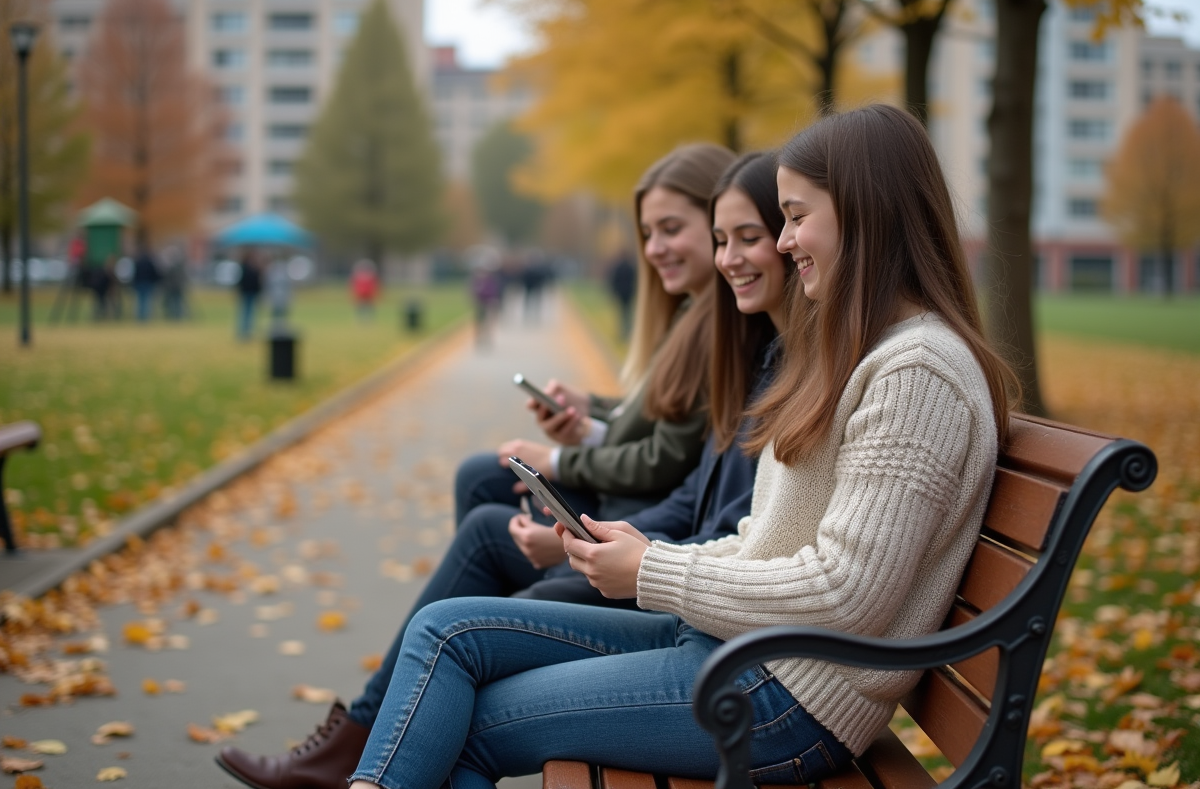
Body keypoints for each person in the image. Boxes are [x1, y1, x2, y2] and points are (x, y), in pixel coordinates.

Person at [335, 104, 1017, 789]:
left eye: (797, 217)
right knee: (445, 633)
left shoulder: (918, 371)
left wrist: (655, 574)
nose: (784, 242)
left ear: (867, 213)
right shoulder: (864, 355)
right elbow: (764, 542)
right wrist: (649, 554)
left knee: (469, 726)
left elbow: (849, 594)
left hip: (782, 699)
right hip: (733, 650)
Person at [214, 149, 788, 789]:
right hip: (679, 582)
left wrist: (582, 495)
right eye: (717, 239)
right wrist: (588, 441)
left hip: (702, 623)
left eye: (746, 237)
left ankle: (361, 746)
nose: (663, 248)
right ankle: (363, 749)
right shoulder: (727, 331)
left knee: (467, 617)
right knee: (477, 540)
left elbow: (683, 474)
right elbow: (683, 463)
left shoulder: (755, 342)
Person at [453, 142, 736, 533]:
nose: (653, 249)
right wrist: (589, 410)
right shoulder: (691, 312)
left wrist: (559, 461)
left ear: (722, 222)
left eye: (671, 229)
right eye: (647, 233)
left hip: (637, 516)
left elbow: (665, 457)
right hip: (629, 505)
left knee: (484, 512)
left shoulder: (722, 326)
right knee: (482, 482)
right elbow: (661, 414)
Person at [607, 251, 636, 340]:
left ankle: (623, 332)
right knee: (627, 313)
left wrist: (614, 292)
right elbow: (635, 281)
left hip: (621, 294)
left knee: (622, 314)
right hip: (629, 293)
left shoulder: (618, 267)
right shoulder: (630, 267)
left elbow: (614, 281)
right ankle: (627, 331)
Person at [236, 249, 263, 340]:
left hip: (252, 292)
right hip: (246, 292)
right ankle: (244, 331)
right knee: (246, 312)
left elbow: (258, 281)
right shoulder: (245, 268)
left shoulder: (254, 267)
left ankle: (248, 330)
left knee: (250, 312)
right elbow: (243, 281)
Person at [132, 245, 160, 322]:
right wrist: (155, 281)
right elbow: (154, 273)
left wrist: (134, 283)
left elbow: (135, 274)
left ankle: (140, 317)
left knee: (140, 301)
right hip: (148, 283)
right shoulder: (149, 262)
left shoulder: (137, 262)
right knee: (147, 301)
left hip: (139, 283)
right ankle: (146, 317)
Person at [160, 246, 188, 321]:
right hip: (175, 287)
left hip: (174, 287)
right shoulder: (178, 266)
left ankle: (176, 316)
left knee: (175, 302)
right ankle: (176, 316)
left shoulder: (171, 266)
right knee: (175, 302)